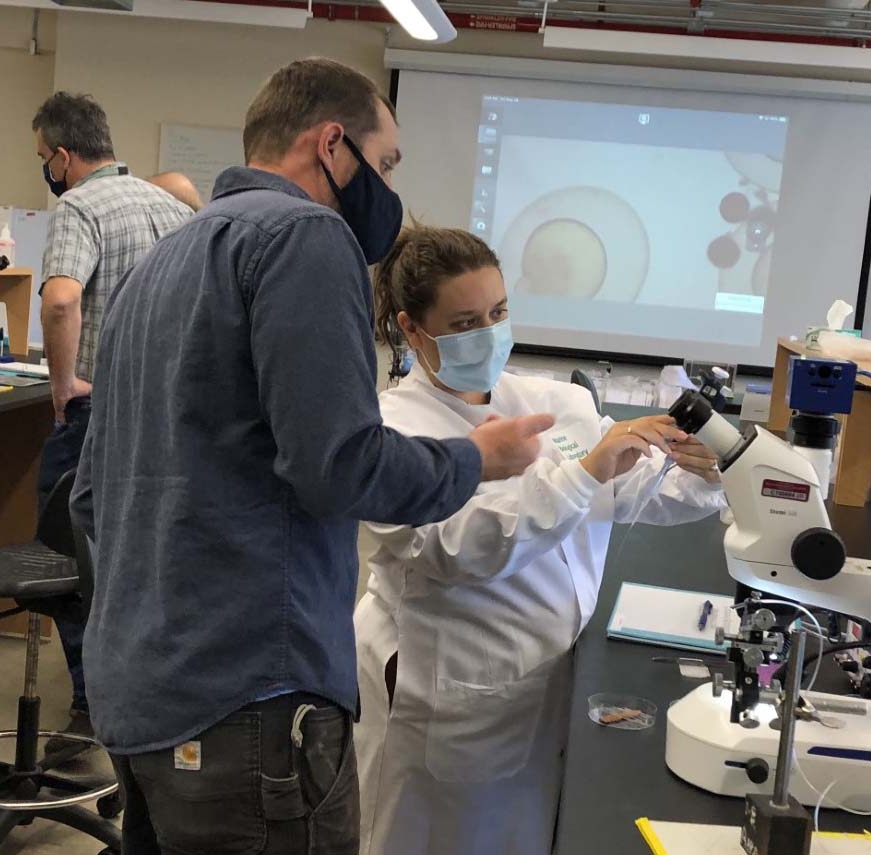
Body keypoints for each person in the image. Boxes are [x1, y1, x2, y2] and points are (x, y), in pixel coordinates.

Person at [70, 58, 552, 855]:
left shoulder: (162, 261)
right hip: (254, 703)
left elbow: (91, 496)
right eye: (385, 162)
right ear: (332, 144)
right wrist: (475, 460)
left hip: (141, 696)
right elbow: (340, 466)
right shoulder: (307, 236)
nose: (389, 189)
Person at [353, 225, 727, 855]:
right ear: (411, 329)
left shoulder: (557, 401)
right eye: (465, 321)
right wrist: (582, 475)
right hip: (452, 695)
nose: (490, 331)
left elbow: (632, 489)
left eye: (498, 312)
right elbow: (461, 549)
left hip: (545, 687)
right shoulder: (391, 431)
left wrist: (709, 473)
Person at [32, 91, 193, 749]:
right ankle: (136, 700)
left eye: (45, 158)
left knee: (67, 557)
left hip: (99, 414)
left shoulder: (79, 206)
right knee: (137, 563)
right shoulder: (174, 208)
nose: (48, 169)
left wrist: (63, 383)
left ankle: (88, 706)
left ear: (66, 157)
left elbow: (63, 301)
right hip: (167, 415)